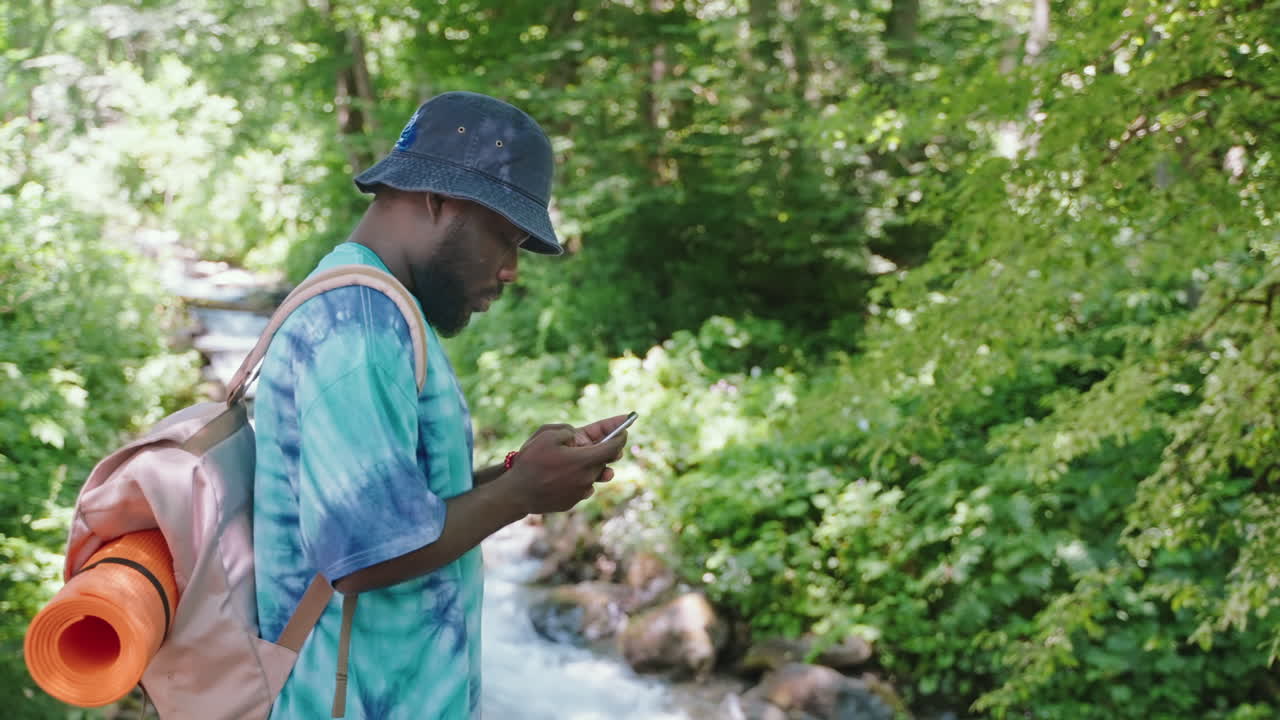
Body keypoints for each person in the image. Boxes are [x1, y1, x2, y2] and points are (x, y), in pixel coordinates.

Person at [251, 91, 629, 719]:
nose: (510, 270)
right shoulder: (356, 322)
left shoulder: (384, 310)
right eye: (504, 238)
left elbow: (402, 505)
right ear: (438, 199)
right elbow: (364, 553)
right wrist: (522, 494)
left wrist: (518, 473)